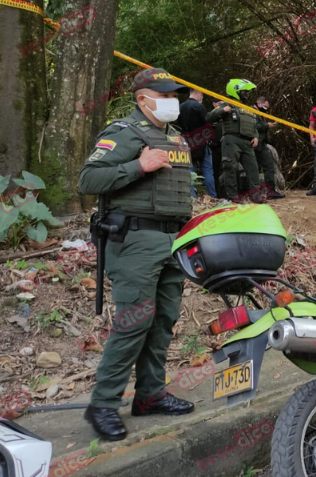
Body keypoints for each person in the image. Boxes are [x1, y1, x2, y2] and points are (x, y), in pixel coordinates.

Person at [78, 68, 194, 441]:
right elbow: (88, 180)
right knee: (134, 322)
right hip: (134, 242)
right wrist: (137, 166)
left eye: (175, 95)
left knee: (163, 321)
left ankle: (150, 395)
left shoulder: (175, 138)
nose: (172, 102)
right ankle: (103, 405)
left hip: (172, 241)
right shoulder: (123, 133)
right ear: (143, 100)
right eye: (165, 96)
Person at [207, 79, 264, 201]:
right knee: (230, 168)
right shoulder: (226, 104)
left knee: (253, 168)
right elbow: (209, 117)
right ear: (235, 91)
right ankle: (233, 195)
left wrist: (255, 136)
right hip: (231, 140)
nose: (245, 94)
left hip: (247, 142)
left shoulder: (247, 108)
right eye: (243, 91)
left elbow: (254, 124)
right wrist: (223, 110)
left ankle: (256, 195)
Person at [177, 88, 216, 198]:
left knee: (189, 170)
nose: (202, 98)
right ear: (199, 93)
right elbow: (206, 123)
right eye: (202, 96)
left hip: (186, 141)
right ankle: (212, 196)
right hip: (201, 141)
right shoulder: (199, 107)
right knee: (208, 170)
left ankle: (192, 196)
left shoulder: (181, 107)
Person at [252, 96, 284, 199]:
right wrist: (267, 125)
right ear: (259, 103)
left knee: (256, 169)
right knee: (268, 167)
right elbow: (254, 126)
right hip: (257, 144)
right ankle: (270, 192)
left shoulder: (260, 113)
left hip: (260, 143)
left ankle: (257, 192)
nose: (266, 109)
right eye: (265, 106)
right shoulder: (252, 112)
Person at [209, 101, 224, 193]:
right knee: (215, 170)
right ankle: (216, 191)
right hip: (214, 147)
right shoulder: (211, 116)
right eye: (219, 103)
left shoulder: (225, 115)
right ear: (214, 103)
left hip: (225, 146)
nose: (221, 104)